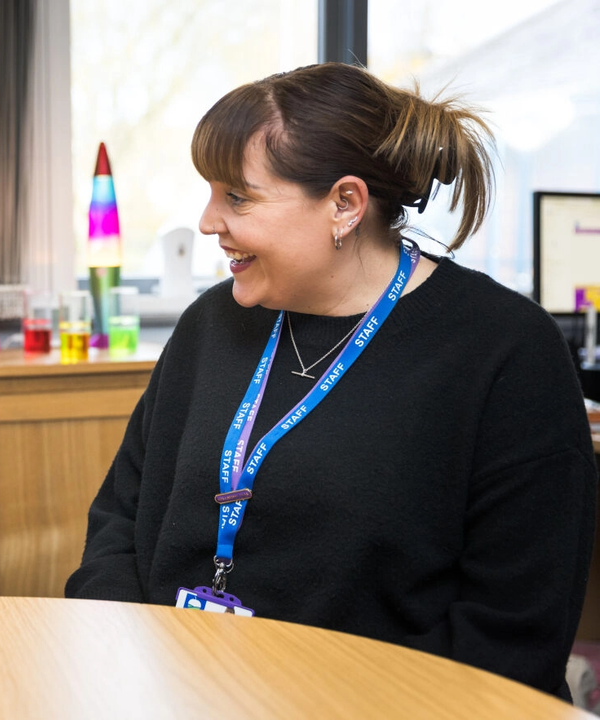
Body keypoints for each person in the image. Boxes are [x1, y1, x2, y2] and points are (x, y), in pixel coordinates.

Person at [66, 62, 597, 700]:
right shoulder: (212, 322)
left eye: (237, 196)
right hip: (176, 692)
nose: (208, 222)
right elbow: (119, 524)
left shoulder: (506, 351)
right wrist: (124, 662)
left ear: (345, 204)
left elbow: (511, 637)